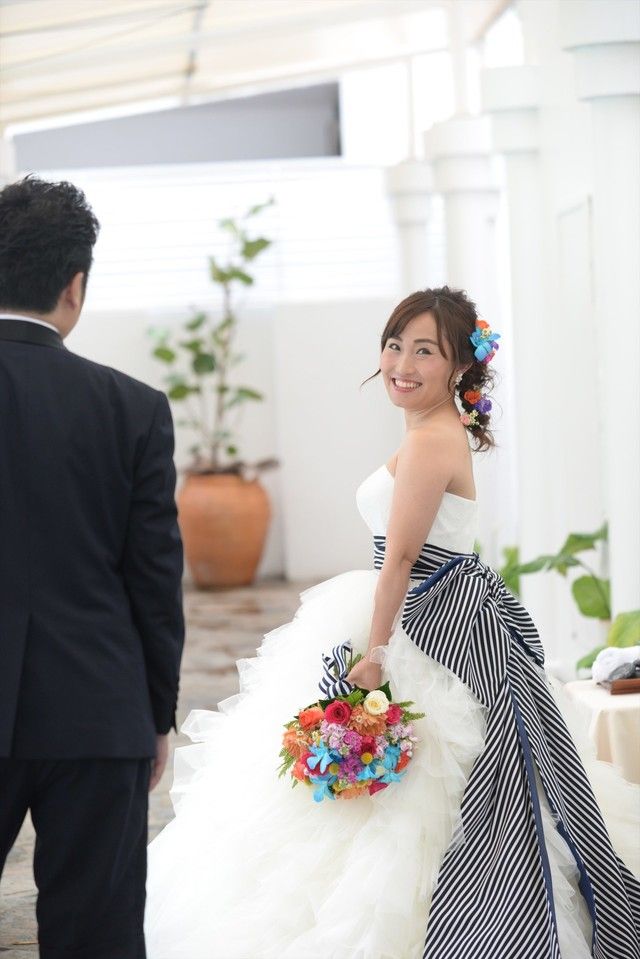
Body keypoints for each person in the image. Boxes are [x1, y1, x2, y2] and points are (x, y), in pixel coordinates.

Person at [144, 288, 639, 959]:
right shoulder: (433, 429)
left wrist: (374, 656)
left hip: (426, 618)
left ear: (459, 365)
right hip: (430, 602)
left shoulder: (432, 440)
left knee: (420, 786)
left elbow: (401, 560)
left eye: (424, 350)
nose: (402, 363)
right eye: (395, 344)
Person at [0, 176, 185, 959]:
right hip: (98, 707)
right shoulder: (133, 408)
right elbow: (154, 579)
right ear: (74, 286)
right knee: (96, 937)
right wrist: (156, 713)